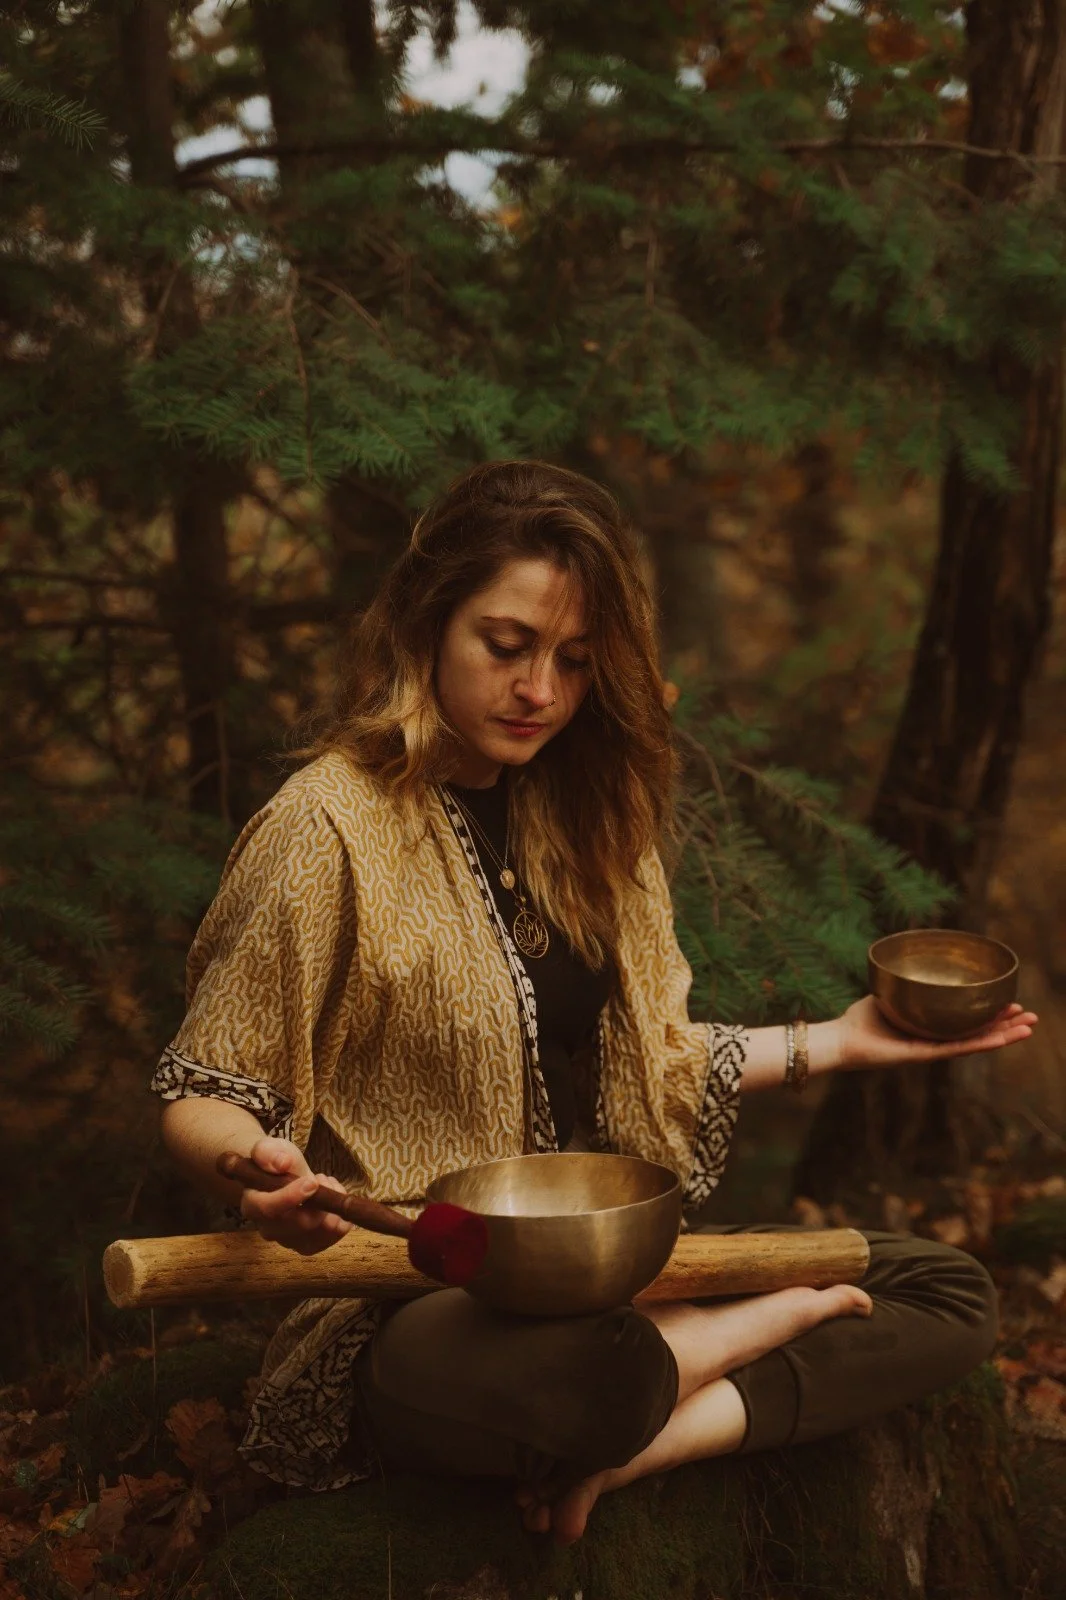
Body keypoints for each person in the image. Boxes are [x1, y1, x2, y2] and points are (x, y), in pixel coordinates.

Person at [155, 460, 1037, 1545]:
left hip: (599, 1274)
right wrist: (255, 1168)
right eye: (507, 645)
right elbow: (203, 1089)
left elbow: (654, 1062)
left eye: (574, 661)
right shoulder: (324, 828)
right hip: (408, 1300)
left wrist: (841, 1043)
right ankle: (714, 1356)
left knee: (945, 1289)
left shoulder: (586, 816)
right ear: (427, 626)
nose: (540, 691)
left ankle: (653, 1436)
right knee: (578, 1373)